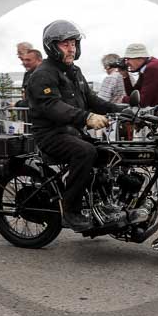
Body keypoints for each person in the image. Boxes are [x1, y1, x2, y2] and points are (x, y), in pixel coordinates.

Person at [26, 20, 123, 231]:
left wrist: (124, 111)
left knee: (110, 152)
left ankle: (103, 204)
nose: (71, 48)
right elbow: (52, 106)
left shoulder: (75, 71)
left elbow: (92, 100)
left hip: (71, 132)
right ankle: (70, 211)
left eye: (73, 43)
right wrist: (87, 118)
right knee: (85, 152)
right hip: (50, 134)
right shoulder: (43, 74)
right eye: (65, 44)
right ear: (52, 46)